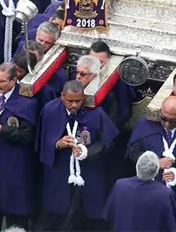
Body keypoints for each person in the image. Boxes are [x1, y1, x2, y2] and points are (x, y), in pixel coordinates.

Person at [36, 79, 118, 231]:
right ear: (62, 96)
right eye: (69, 101)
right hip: (59, 171)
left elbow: (108, 143)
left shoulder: (96, 113)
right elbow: (41, 140)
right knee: (54, 214)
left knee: (82, 216)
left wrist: (88, 151)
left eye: (78, 101)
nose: (74, 105)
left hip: (87, 172)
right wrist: (57, 144)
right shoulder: (50, 110)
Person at [0, 63, 38, 231]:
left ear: (14, 80)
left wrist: (1, 129)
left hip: (14, 165)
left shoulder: (27, 102)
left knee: (15, 210)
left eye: (2, 81)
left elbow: (27, 136)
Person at [126, 96, 176, 229]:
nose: (167, 124)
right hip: (148, 190)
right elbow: (133, 153)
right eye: (164, 118)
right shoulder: (145, 125)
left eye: (173, 121)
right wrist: (155, 162)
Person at [102, 151, 176, 231]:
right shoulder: (165, 194)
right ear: (156, 170)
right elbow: (175, 226)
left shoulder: (120, 186)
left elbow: (109, 216)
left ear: (137, 166)